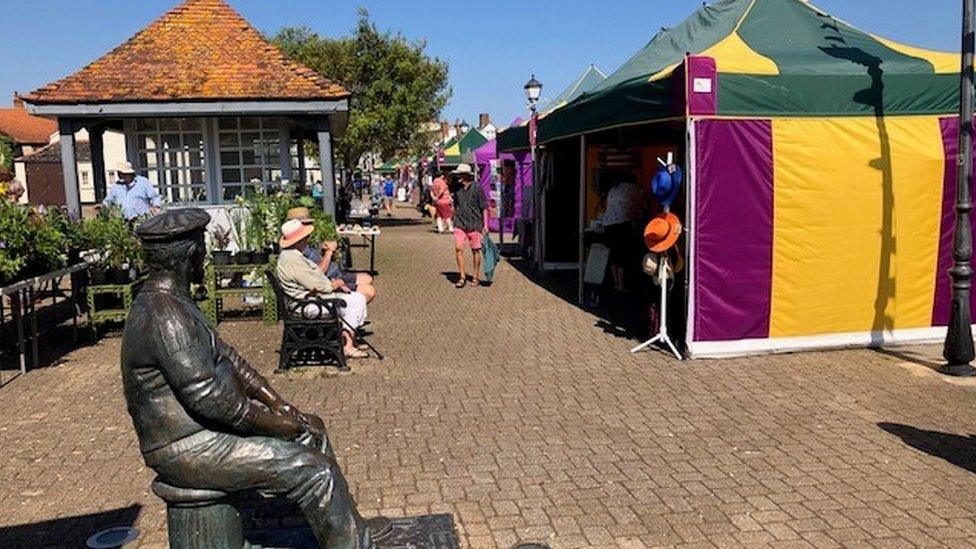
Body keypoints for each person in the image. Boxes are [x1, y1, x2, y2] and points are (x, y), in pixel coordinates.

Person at [122, 209, 375, 548]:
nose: (206, 257)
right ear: (189, 255)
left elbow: (231, 360)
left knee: (312, 429)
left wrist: (280, 404)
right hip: (188, 447)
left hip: (205, 432)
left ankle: (345, 527)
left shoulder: (177, 302)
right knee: (316, 471)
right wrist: (274, 423)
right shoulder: (166, 316)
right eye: (201, 248)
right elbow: (210, 398)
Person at [276, 219, 370, 359]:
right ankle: (347, 345)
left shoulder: (292, 255)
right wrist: (335, 285)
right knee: (355, 300)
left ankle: (348, 340)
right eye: (305, 237)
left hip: (305, 299)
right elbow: (316, 285)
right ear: (299, 239)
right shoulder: (292, 259)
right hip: (305, 304)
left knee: (356, 298)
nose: (307, 239)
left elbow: (314, 277)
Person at [286, 207, 377, 303]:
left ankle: (351, 308)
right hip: (327, 282)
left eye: (310, 223)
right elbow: (317, 275)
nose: (310, 227)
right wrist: (329, 252)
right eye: (306, 224)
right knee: (369, 291)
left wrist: (323, 248)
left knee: (367, 278)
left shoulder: (304, 243)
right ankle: (347, 310)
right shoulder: (298, 252)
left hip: (332, 276)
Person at [601, 174, 643, 293]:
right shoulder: (632, 187)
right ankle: (622, 285)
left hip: (608, 224)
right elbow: (638, 203)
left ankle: (616, 283)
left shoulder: (613, 189)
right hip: (622, 223)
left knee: (614, 253)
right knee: (623, 254)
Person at [450, 164, 489, 288]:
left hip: (474, 223)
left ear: (467, 175)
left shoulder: (477, 188)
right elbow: (455, 204)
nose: (458, 177)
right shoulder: (456, 188)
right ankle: (462, 276)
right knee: (458, 248)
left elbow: (484, 207)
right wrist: (453, 216)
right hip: (460, 222)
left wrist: (486, 225)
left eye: (460, 174)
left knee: (475, 251)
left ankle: (475, 276)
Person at [431, 169, 454, 234]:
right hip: (444, 201)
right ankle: (450, 229)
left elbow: (431, 191)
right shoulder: (441, 182)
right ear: (442, 176)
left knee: (439, 216)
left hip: (438, 202)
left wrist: (434, 198)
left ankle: (440, 229)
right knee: (447, 216)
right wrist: (438, 196)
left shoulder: (434, 182)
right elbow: (442, 190)